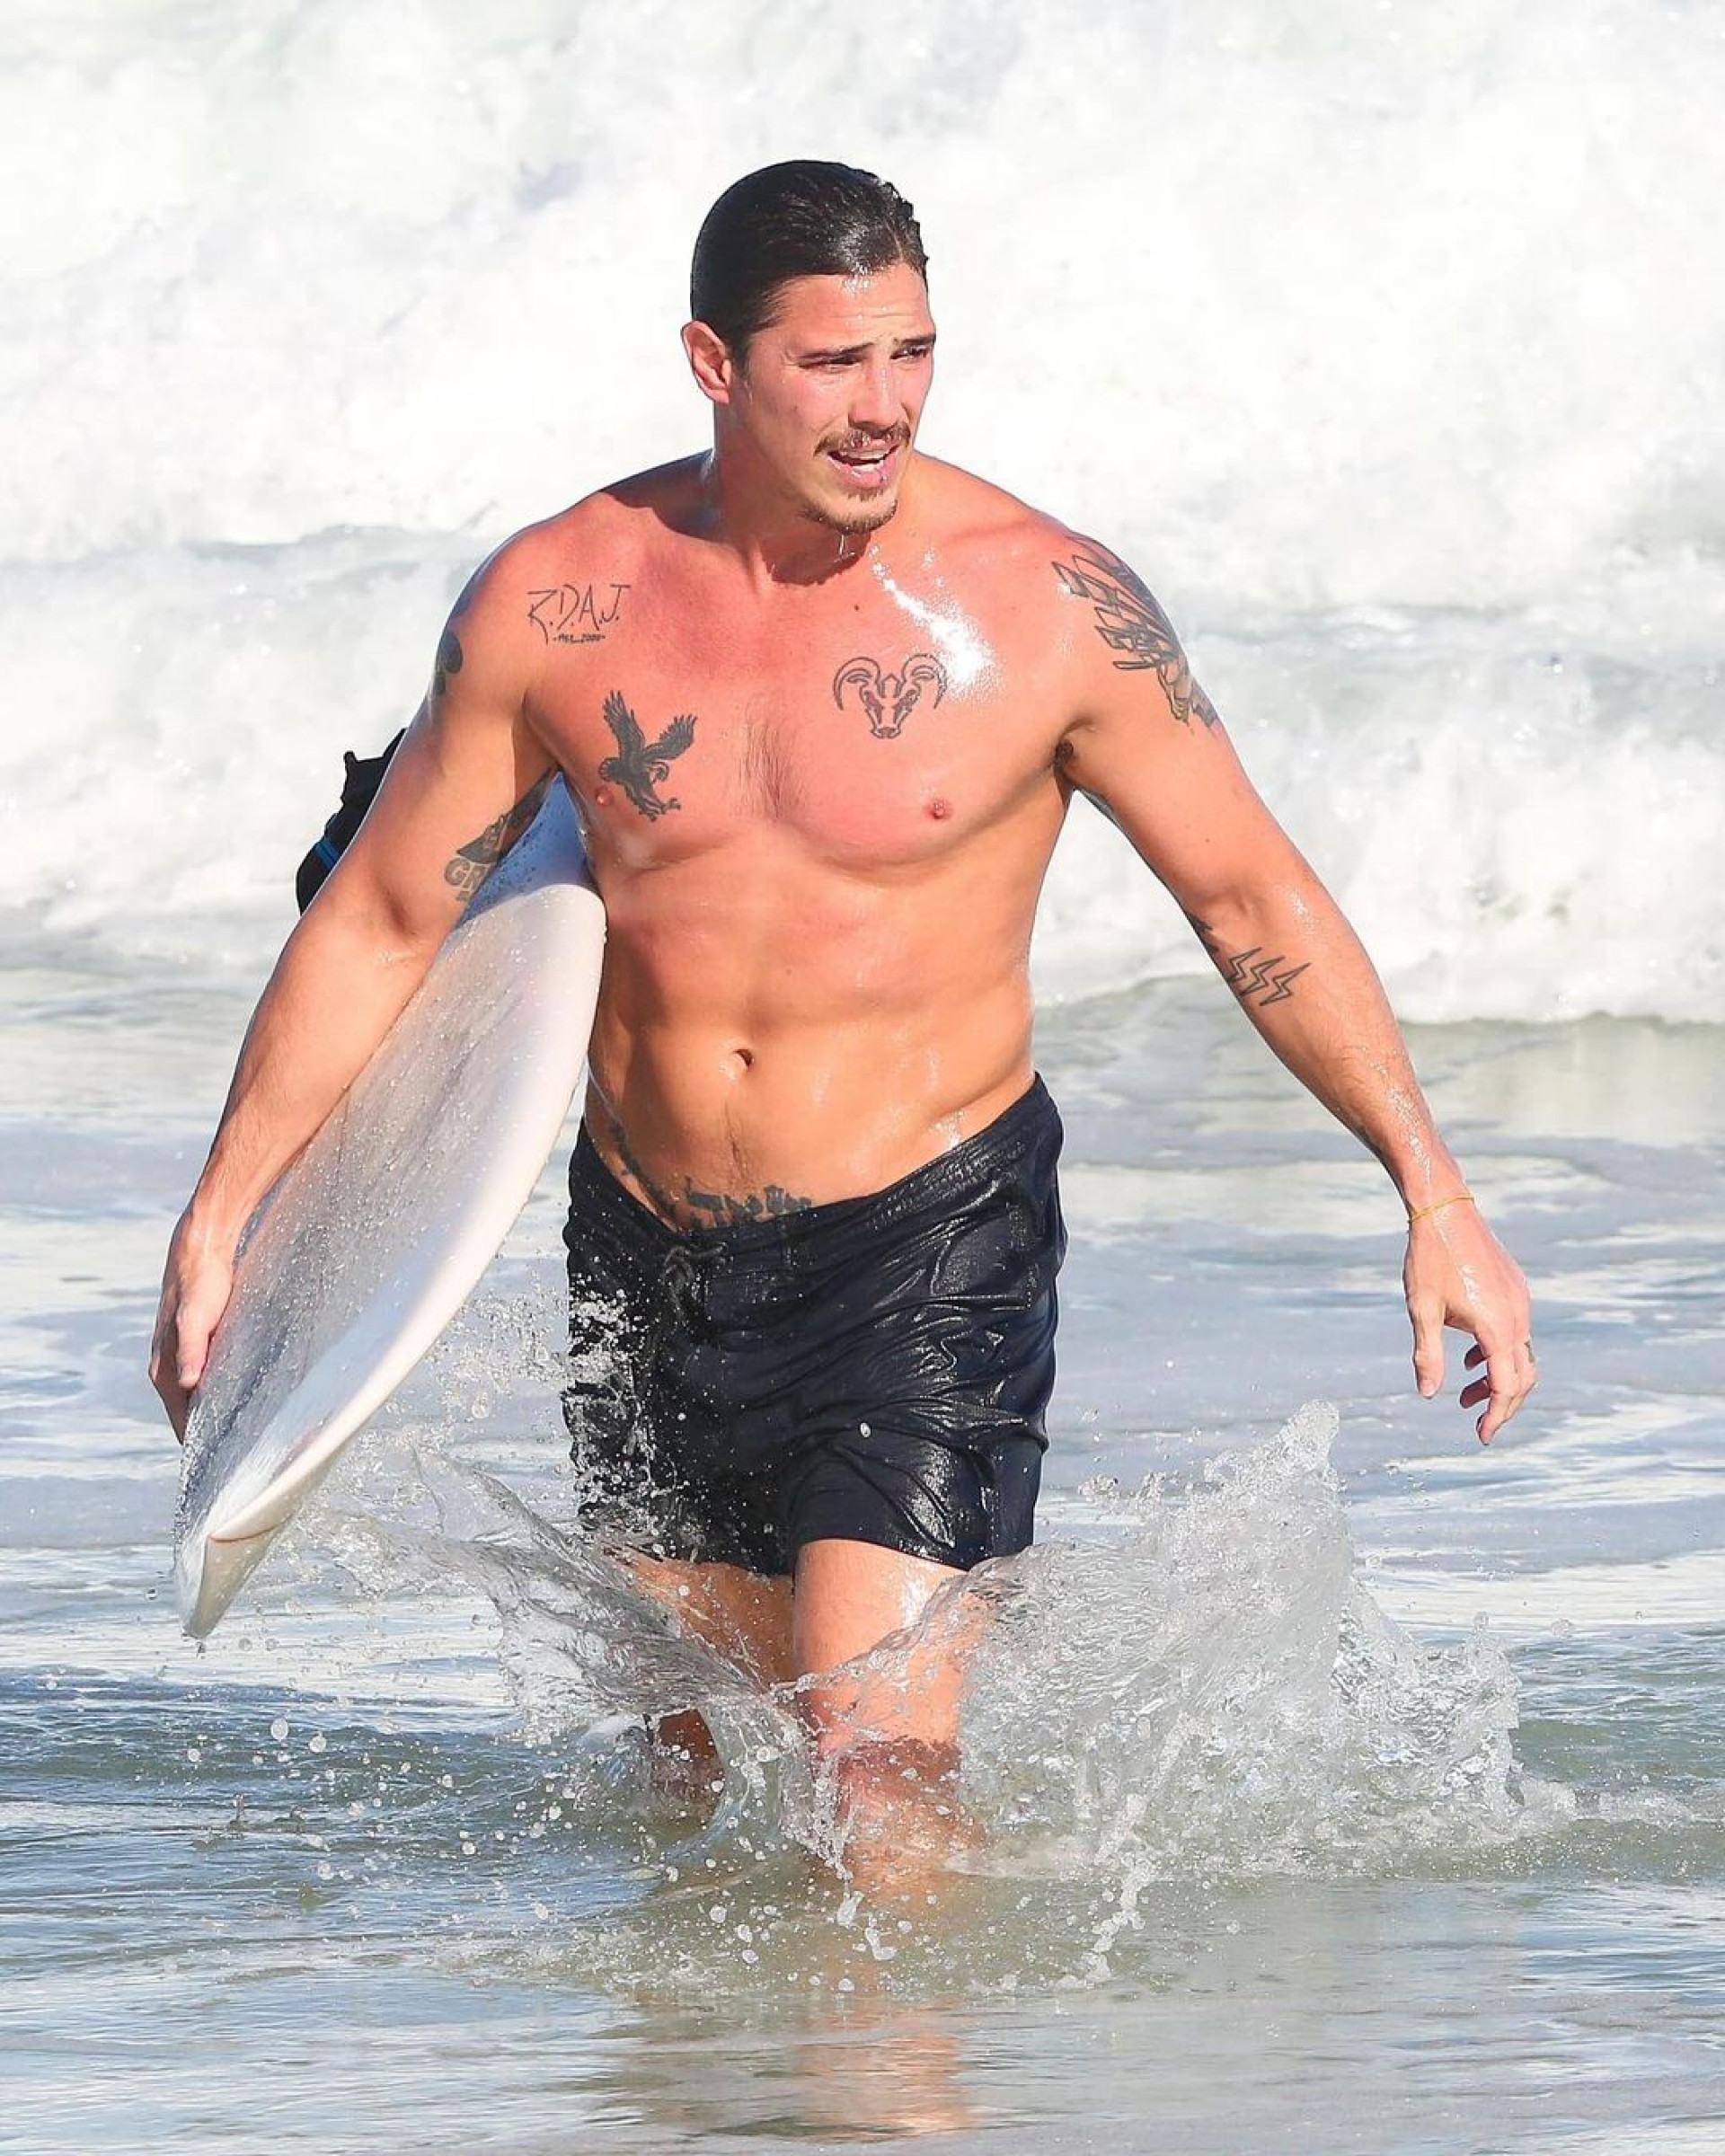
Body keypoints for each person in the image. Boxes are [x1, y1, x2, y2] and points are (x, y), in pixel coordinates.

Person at [151, 160, 1535, 1871]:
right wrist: (230, 1213)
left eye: (915, 354)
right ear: (713, 363)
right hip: (647, 1241)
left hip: (923, 1240)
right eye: (833, 364)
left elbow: (1254, 902)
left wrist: (1436, 1196)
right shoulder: (561, 602)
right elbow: (382, 913)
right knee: (692, 1775)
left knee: (871, 1770)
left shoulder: (1045, 611)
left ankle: (904, 2113)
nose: (885, 410)